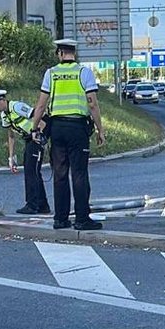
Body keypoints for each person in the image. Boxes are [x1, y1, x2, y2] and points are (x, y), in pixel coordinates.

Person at [30, 39, 106, 230]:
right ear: (74, 53)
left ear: (60, 53)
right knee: (79, 174)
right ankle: (81, 219)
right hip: (78, 128)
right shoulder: (84, 73)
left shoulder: (51, 73)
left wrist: (34, 128)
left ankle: (60, 219)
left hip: (57, 129)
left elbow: (41, 104)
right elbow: (92, 104)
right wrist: (100, 129)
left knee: (60, 174)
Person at [0, 89, 50, 215]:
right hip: (29, 138)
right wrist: (11, 157)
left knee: (32, 171)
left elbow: (39, 118)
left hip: (36, 136)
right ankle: (42, 205)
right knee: (31, 170)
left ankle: (32, 205)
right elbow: (10, 136)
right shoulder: (5, 115)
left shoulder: (17, 107)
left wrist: (41, 136)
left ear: (4, 100)